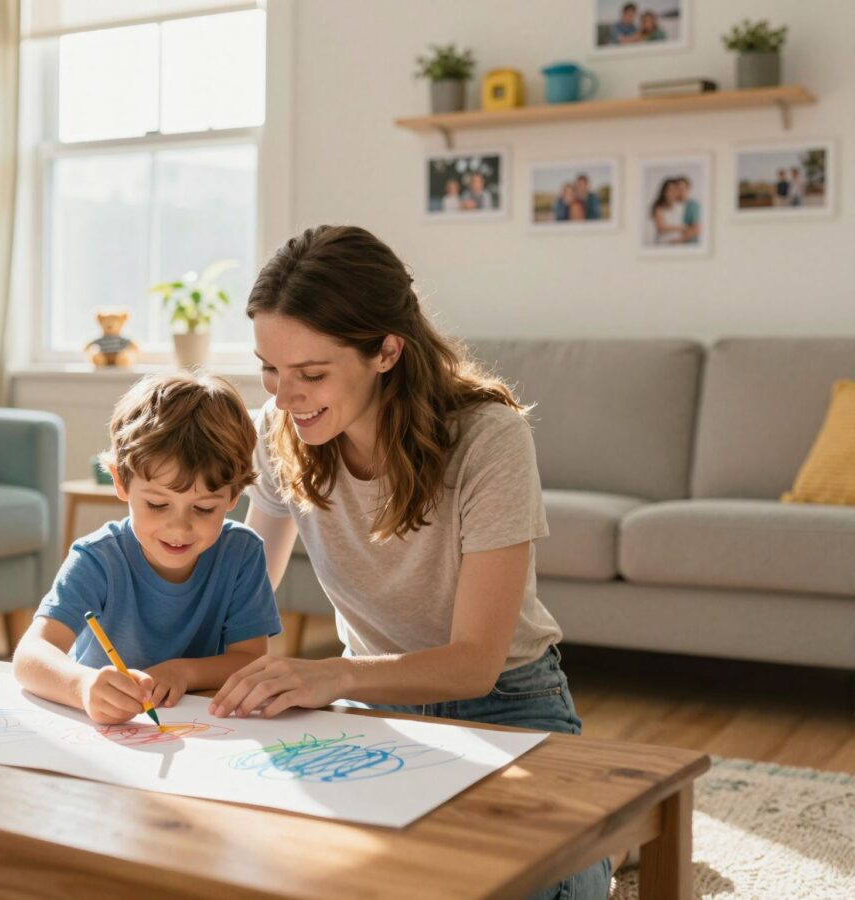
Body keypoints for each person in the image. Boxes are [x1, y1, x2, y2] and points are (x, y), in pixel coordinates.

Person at [208, 225, 614, 899]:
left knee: (540, 889)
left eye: (310, 374)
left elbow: (475, 660)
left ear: (386, 351)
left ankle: (603, 848)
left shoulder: (489, 440)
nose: (283, 396)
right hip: (369, 708)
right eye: (269, 369)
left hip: (504, 701)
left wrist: (324, 676)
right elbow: (246, 595)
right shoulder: (281, 432)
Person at [13, 371, 282, 724]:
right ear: (121, 483)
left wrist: (181, 672)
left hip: (203, 728)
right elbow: (31, 655)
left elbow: (249, 659)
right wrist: (82, 685)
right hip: (107, 730)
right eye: (157, 505)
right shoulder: (97, 559)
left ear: (233, 495)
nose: (179, 527)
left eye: (203, 508)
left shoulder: (242, 554)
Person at [649, 177, 685, 244]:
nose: (672, 192)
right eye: (670, 190)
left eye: (675, 190)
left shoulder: (680, 206)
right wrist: (680, 227)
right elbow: (660, 228)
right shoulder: (659, 208)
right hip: (663, 244)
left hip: (677, 244)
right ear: (664, 192)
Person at [677, 176, 700, 243]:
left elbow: (696, 228)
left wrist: (679, 240)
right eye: (677, 189)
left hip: (689, 244)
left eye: (682, 189)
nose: (680, 192)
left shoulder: (693, 205)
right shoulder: (673, 205)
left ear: (688, 189)